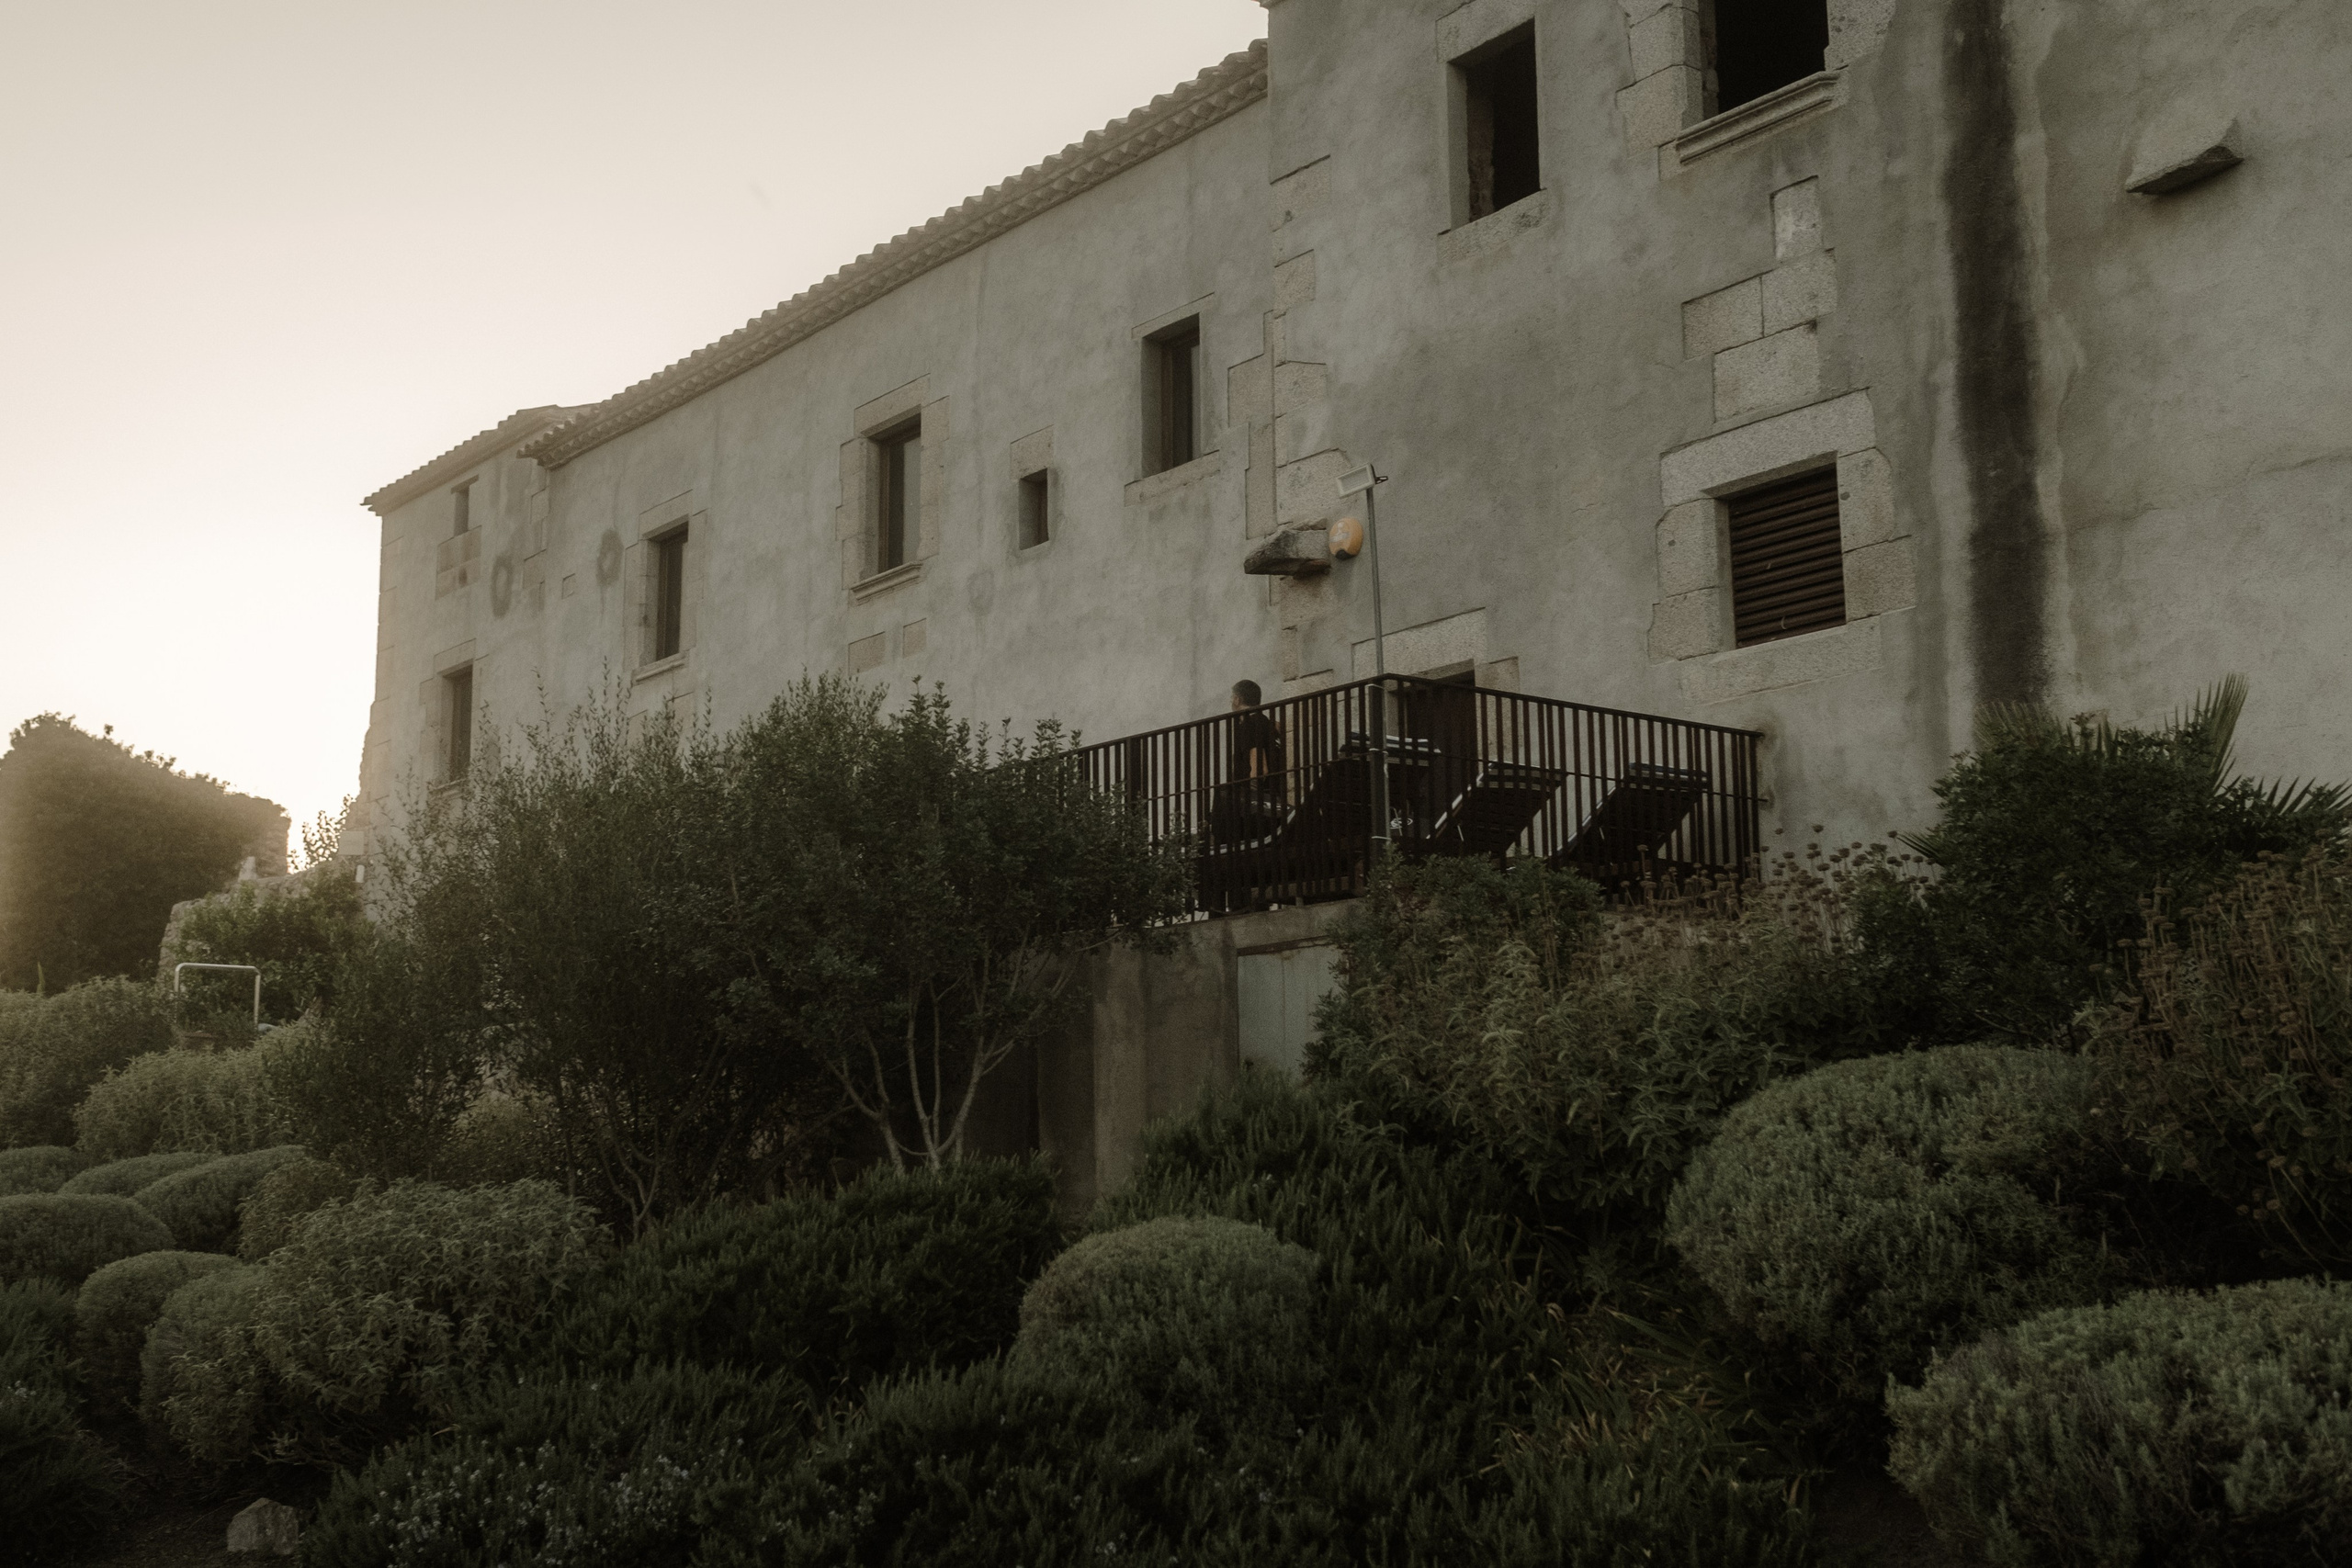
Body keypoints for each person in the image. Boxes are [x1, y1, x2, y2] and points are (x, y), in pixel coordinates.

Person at [1217, 680, 1285, 842]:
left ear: (1237, 700)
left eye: (1231, 698)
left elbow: (1259, 767)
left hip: (1256, 803)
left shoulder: (1249, 723)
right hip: (1274, 796)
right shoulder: (1265, 722)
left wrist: (1250, 797)